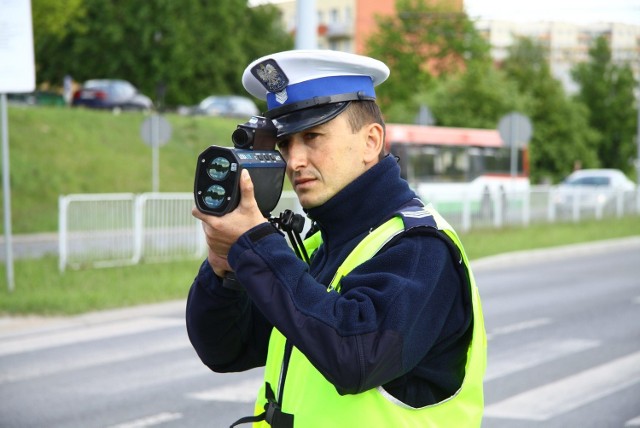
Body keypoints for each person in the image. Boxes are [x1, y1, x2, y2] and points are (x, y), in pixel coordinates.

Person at [187, 50, 486, 428]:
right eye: (285, 144)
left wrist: (257, 244)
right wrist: (223, 269)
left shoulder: (419, 248)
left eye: (312, 137)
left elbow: (356, 358)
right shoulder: (317, 247)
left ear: (370, 141)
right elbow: (224, 349)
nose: (294, 161)